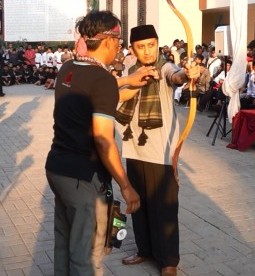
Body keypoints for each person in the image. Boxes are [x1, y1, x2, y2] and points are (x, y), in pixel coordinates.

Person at [44, 11, 141, 276]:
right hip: (83, 178)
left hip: (57, 169)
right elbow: (102, 139)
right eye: (119, 42)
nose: (119, 48)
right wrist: (125, 184)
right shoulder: (103, 80)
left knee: (64, 242)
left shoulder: (68, 68)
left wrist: (127, 82)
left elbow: (94, 92)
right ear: (109, 41)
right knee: (87, 254)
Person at [117, 24, 199, 276]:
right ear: (133, 49)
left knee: (164, 208)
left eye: (151, 45)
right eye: (141, 47)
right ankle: (144, 250)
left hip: (161, 152)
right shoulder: (129, 72)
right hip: (133, 149)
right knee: (138, 205)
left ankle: (168, 261)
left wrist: (187, 74)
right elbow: (118, 95)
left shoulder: (164, 67)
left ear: (157, 44)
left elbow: (176, 76)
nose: (147, 51)